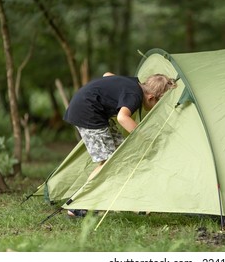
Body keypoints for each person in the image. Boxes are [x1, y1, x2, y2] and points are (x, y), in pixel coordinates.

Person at [63, 72, 177, 217]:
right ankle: (78, 204)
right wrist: (143, 138)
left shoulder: (133, 83)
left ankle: (135, 204)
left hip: (94, 110)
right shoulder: (135, 96)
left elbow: (106, 75)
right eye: (157, 104)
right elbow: (122, 117)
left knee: (121, 156)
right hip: (88, 113)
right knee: (109, 162)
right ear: (151, 97)